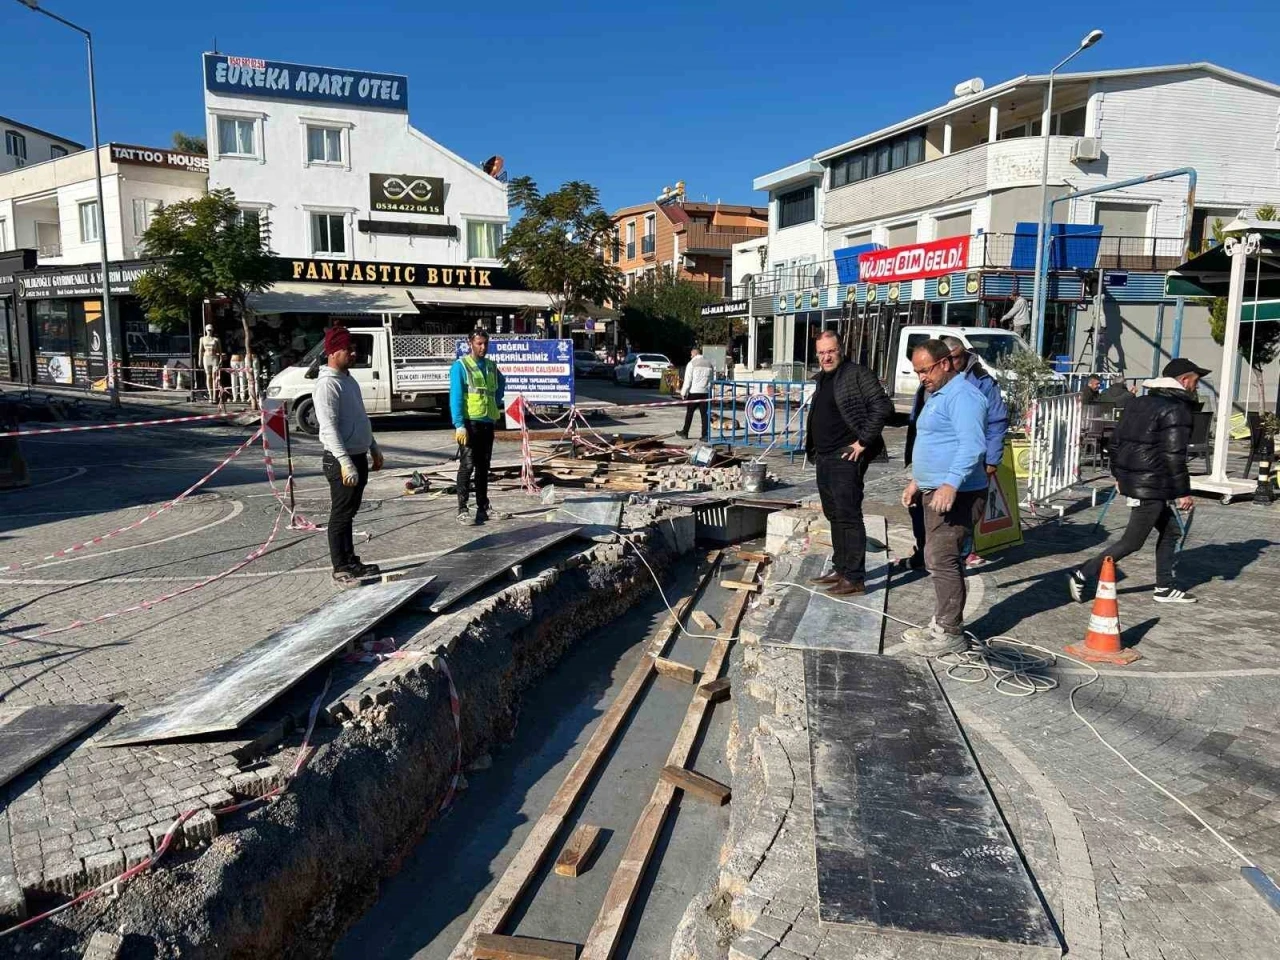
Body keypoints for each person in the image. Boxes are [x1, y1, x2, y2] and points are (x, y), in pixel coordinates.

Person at [1068, 358, 1207, 605]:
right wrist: (1183, 492)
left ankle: (1164, 587)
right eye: (1195, 382)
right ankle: (1082, 573)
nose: (1196, 387)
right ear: (1184, 381)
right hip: (1152, 484)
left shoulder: (1138, 402)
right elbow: (1175, 455)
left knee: (1171, 530)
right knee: (1132, 541)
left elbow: (1116, 442)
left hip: (1141, 481)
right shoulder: (1178, 410)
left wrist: (1120, 476)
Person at [899, 340, 989, 656]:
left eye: (926, 370)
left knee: (942, 558)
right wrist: (917, 482)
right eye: (917, 372)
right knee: (936, 557)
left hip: (959, 494)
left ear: (946, 363)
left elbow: (972, 445)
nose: (922, 377)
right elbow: (936, 444)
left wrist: (949, 485)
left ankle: (950, 632)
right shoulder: (939, 395)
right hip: (935, 491)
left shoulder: (963, 396)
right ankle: (942, 623)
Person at [804, 330, 893, 597]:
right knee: (834, 516)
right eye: (821, 353)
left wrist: (862, 442)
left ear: (841, 349)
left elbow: (882, 407)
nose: (826, 357)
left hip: (845, 457)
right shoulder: (823, 379)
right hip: (824, 456)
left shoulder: (857, 374)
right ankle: (841, 569)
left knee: (849, 516)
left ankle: (854, 578)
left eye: (830, 351)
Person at [315, 326, 383, 586]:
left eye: (353, 348)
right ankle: (340, 566)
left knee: (350, 513)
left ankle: (351, 559)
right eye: (348, 349)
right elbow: (329, 427)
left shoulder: (349, 380)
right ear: (333, 352)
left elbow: (360, 417)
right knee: (341, 513)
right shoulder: (327, 385)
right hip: (340, 460)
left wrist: (373, 446)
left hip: (358, 454)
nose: (353, 353)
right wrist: (344, 462)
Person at [941, 335, 1009, 568]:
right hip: (944, 454)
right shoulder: (937, 375)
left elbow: (997, 422)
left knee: (967, 509)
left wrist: (992, 458)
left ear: (964, 354)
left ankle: (962, 554)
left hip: (973, 455)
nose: (951, 362)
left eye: (956, 357)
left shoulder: (982, 381)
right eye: (947, 358)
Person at [450, 329, 505, 525]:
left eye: (485, 344)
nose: (483, 347)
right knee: (468, 464)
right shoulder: (461, 366)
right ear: (470, 343)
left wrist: (495, 401)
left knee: (484, 466)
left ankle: (483, 507)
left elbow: (501, 384)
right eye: (479, 343)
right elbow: (455, 396)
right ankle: (462, 509)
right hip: (469, 422)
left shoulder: (491, 365)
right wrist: (458, 424)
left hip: (487, 421)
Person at [677, 346, 715, 441]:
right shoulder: (709, 364)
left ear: (694, 353)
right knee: (705, 415)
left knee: (689, 413)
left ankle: (685, 433)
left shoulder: (691, 364)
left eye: (691, 354)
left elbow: (688, 380)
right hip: (705, 393)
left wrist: (683, 392)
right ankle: (705, 435)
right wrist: (712, 393)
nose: (690, 356)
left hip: (694, 392)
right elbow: (712, 380)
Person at [199, 324, 223, 402]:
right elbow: (200, 350)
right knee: (208, 376)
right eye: (208, 330)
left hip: (214, 358)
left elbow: (220, 350)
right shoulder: (202, 339)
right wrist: (199, 360)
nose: (209, 331)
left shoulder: (216, 339)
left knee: (214, 377)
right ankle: (210, 394)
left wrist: (221, 359)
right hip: (206, 358)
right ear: (206, 330)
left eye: (211, 330)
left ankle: (214, 396)